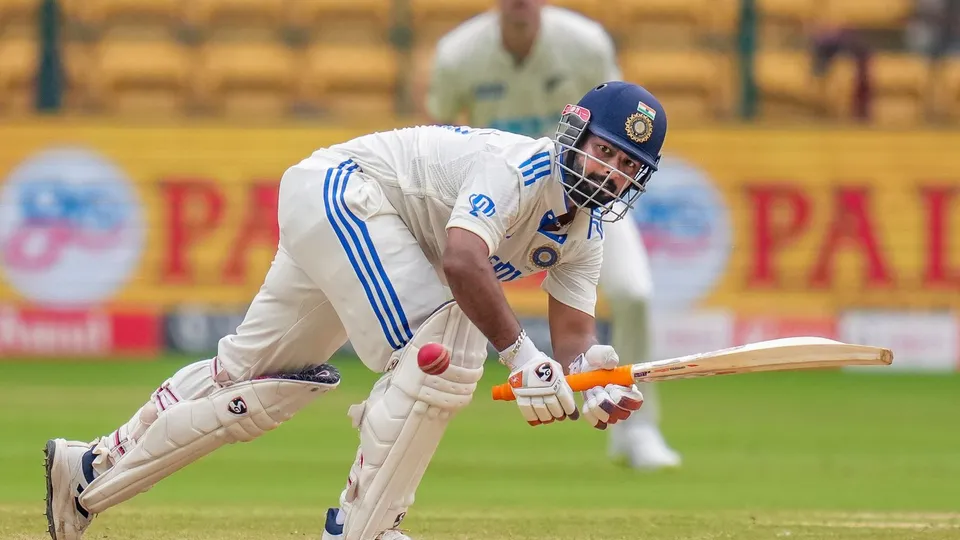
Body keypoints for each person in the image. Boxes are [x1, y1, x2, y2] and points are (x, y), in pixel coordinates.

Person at [44, 81, 666, 540]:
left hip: (350, 217)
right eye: (604, 153)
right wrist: (521, 357)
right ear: (575, 137)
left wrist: (594, 379)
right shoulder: (520, 169)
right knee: (441, 349)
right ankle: (361, 527)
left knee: (253, 382)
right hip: (345, 193)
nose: (609, 174)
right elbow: (462, 261)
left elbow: (575, 335)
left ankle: (88, 472)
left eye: (626, 168)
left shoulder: (585, 235)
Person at [425, 0, 681, 469]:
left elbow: (624, 120)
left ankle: (637, 431)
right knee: (441, 293)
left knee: (636, 294)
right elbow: (442, 124)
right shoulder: (458, 52)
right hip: (503, 193)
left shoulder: (584, 43)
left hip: (590, 194)